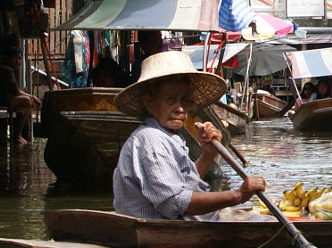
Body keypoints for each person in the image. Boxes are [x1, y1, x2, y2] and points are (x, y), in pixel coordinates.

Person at [111, 50, 264, 220]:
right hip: (163, 233)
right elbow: (175, 202)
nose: (180, 108)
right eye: (170, 100)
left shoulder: (169, 137)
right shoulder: (151, 139)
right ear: (150, 101)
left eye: (184, 100)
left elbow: (186, 186)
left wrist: (207, 154)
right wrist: (237, 195)